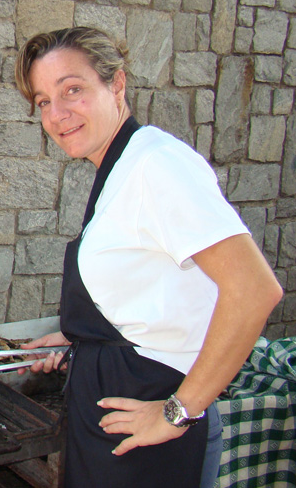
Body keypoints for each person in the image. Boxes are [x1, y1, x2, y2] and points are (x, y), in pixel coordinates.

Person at [14, 27, 282, 488]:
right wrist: (76, 337)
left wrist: (177, 413)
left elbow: (255, 290)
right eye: (42, 102)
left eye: (72, 90)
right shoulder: (119, 167)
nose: (56, 115)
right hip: (112, 420)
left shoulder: (156, 165)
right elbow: (157, 291)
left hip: (151, 436)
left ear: (116, 85)